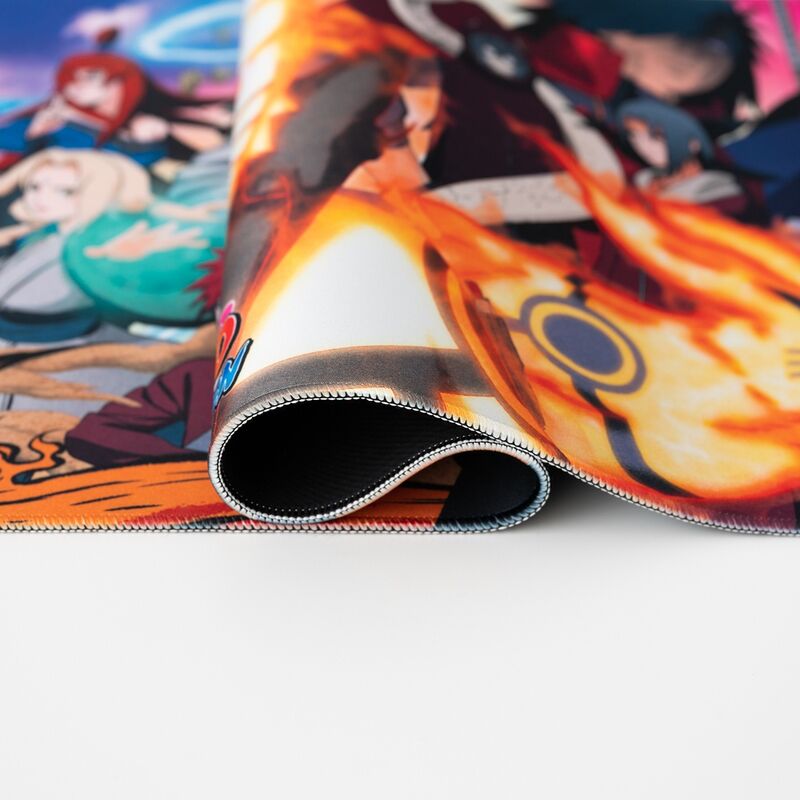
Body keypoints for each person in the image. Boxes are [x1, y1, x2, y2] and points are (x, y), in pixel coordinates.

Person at [0, 51, 233, 170]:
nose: (76, 86)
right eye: (71, 79)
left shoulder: (144, 119)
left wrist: (165, 130)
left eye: (90, 77)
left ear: (120, 82)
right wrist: (33, 136)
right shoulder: (49, 124)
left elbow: (215, 146)